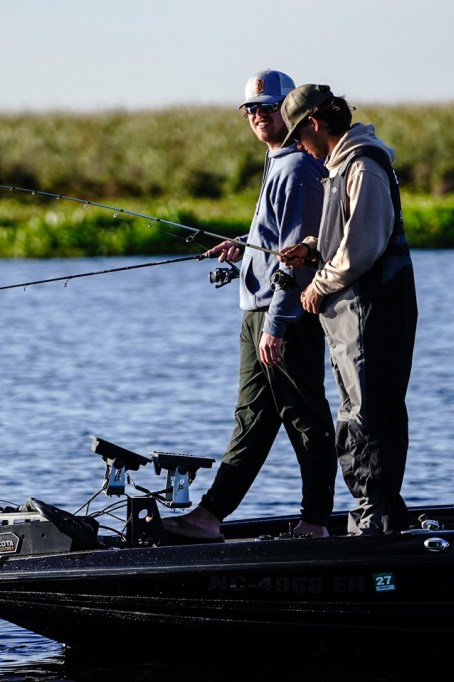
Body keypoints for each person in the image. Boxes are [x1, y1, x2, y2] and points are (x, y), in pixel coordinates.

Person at [161, 69, 338, 541]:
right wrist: (245, 246)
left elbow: (299, 257)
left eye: (268, 107)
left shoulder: (298, 168)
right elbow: (277, 237)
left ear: (292, 112)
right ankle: (209, 517)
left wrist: (276, 325)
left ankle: (316, 522)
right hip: (258, 312)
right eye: (250, 109)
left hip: (282, 316)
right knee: (253, 419)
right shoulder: (278, 161)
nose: (258, 116)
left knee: (305, 416)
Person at [278, 84, 418, 535]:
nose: (300, 146)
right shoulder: (341, 166)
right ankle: (374, 516)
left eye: (299, 136)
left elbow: (363, 245)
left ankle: (375, 522)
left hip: (372, 313)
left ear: (315, 123)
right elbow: (345, 233)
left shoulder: (363, 165)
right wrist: (311, 247)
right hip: (351, 317)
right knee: (356, 414)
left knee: (369, 416)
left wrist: (317, 285)